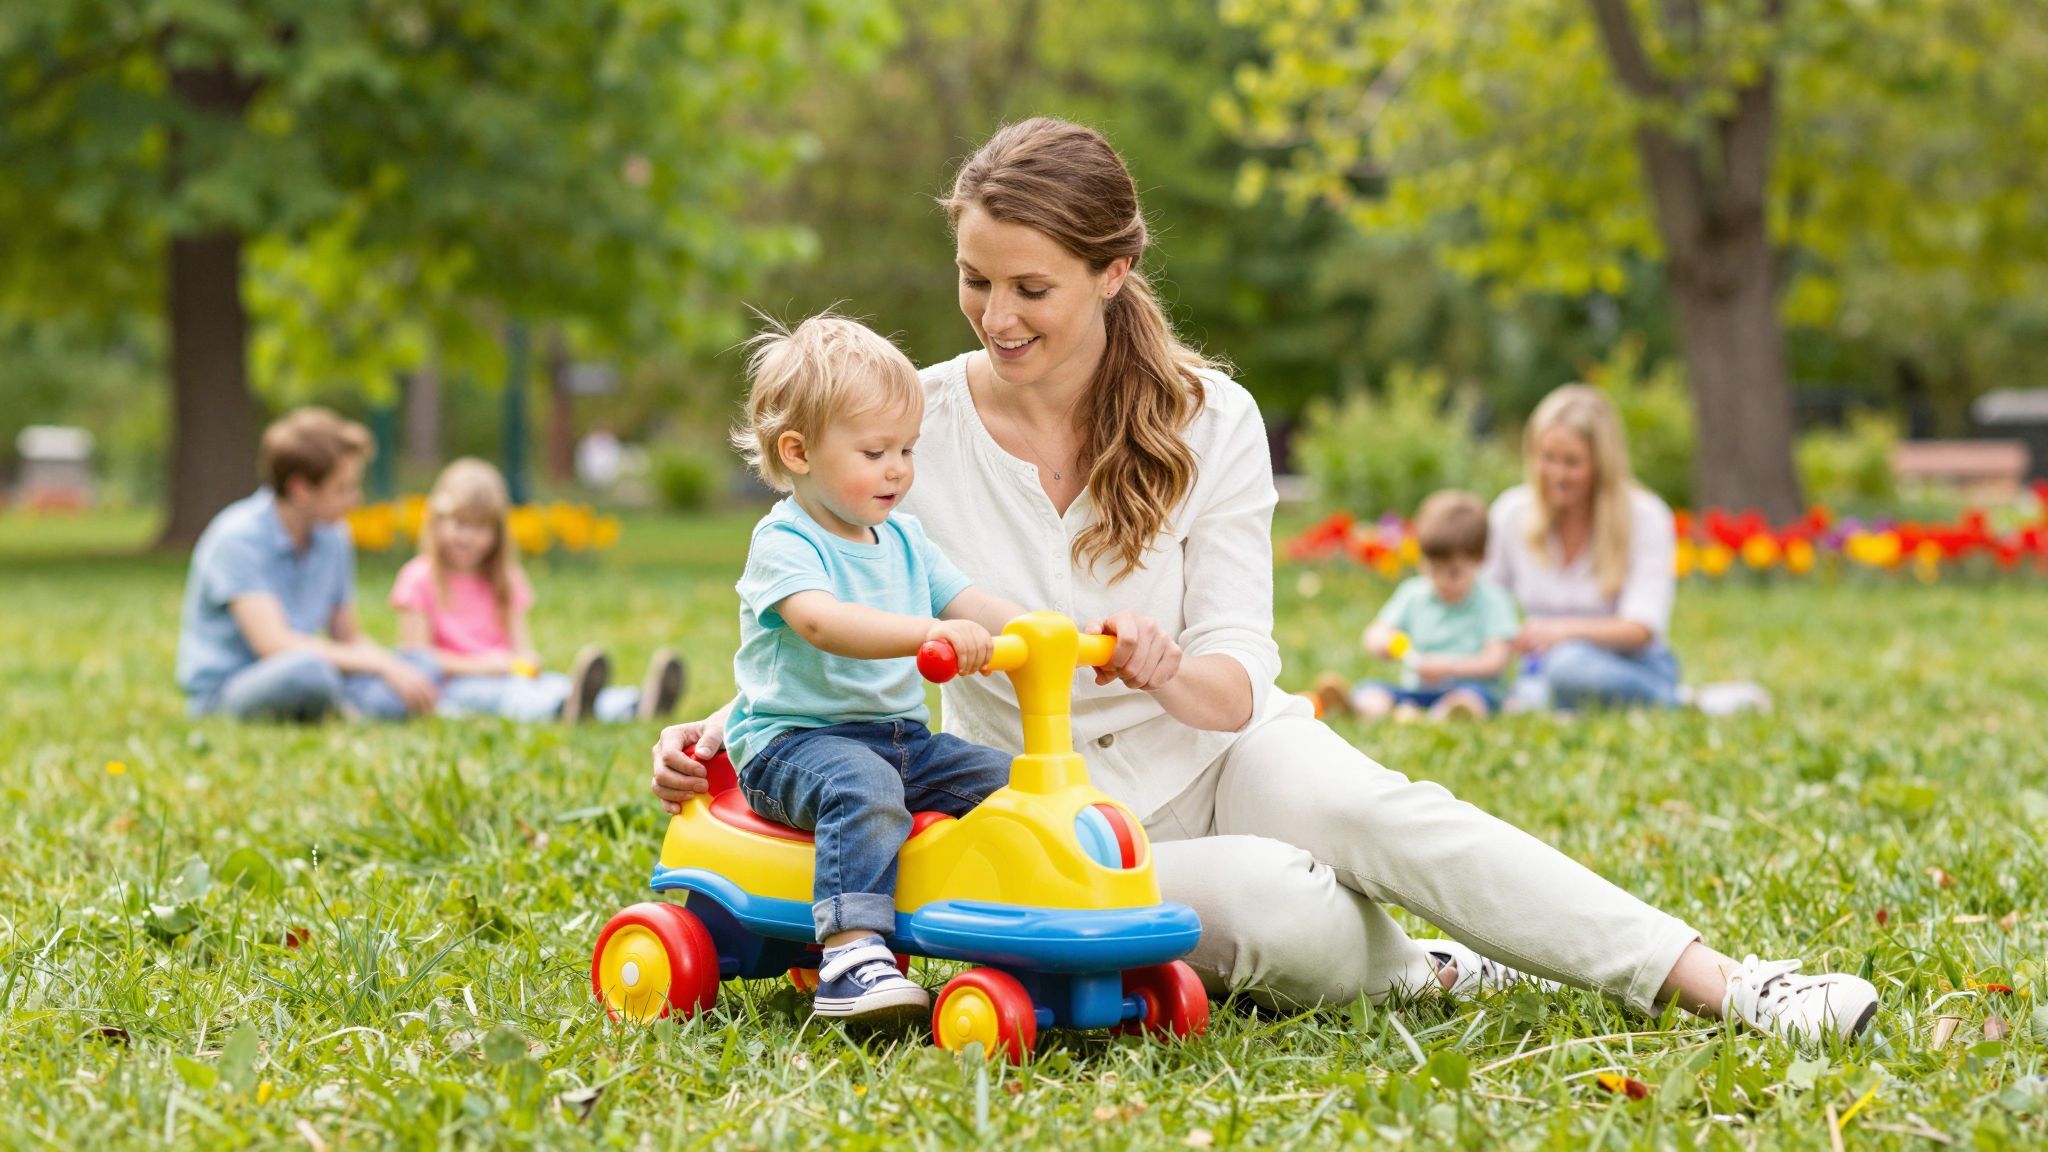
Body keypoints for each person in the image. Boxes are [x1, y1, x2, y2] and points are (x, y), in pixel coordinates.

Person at [655, 119, 1877, 1043]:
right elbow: (819, 590)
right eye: (975, 280)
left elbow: (1238, 678)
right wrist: (719, 728)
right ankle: (1433, 969)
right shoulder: (901, 422)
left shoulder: (1209, 417)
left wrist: (1169, 665)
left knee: (1380, 815)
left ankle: (1724, 983)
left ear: (1113, 269)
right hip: (1042, 803)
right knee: (1280, 911)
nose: (995, 316)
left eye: (1030, 287)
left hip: (1219, 747)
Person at [719, 311, 1033, 1022]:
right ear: (798, 453)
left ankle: (1018, 928)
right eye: (874, 452)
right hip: (794, 745)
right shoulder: (786, 542)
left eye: (907, 450)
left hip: (900, 739)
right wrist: (929, 633)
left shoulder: (905, 539)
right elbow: (823, 623)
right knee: (861, 786)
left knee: (1010, 785)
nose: (898, 469)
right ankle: (852, 951)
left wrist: (1045, 634)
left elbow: (968, 599)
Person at [176, 407, 440, 721]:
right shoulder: (237, 538)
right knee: (309, 672)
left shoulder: (334, 536)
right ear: (301, 489)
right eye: (342, 488)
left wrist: (396, 667)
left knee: (422, 665)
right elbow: (273, 644)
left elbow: (347, 636)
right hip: (233, 689)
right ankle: (353, 710)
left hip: (316, 670)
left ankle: (349, 708)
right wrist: (382, 666)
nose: (355, 498)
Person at [390, 457, 683, 724]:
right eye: (459, 524)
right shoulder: (418, 578)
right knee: (512, 698)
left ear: (497, 534)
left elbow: (521, 644)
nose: (467, 537)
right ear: (437, 522)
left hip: (509, 675)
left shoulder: (505, 577)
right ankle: (563, 709)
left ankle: (635, 703)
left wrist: (527, 660)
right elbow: (417, 658)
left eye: (480, 528)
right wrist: (481, 666)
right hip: (453, 686)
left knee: (554, 683)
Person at [1481, 386, 1682, 712]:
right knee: (1525, 695)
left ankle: (1676, 702)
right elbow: (1485, 601)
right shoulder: (1510, 513)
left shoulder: (1645, 516)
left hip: (1632, 665)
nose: (1556, 475)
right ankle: (1569, 707)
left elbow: (1642, 628)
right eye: (1547, 458)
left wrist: (1559, 632)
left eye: (1572, 462)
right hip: (1539, 670)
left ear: (1601, 465)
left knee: (1566, 666)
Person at [1316, 490, 1518, 722]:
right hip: (1418, 690)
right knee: (1372, 690)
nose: (1441, 581)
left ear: (1480, 559)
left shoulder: (1493, 600)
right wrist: (1385, 642)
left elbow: (1496, 661)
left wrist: (1448, 667)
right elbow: (1373, 634)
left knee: (1470, 699)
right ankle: (1360, 708)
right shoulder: (1414, 593)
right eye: (1432, 570)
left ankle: (1443, 714)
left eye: (1453, 573)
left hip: (1471, 688)